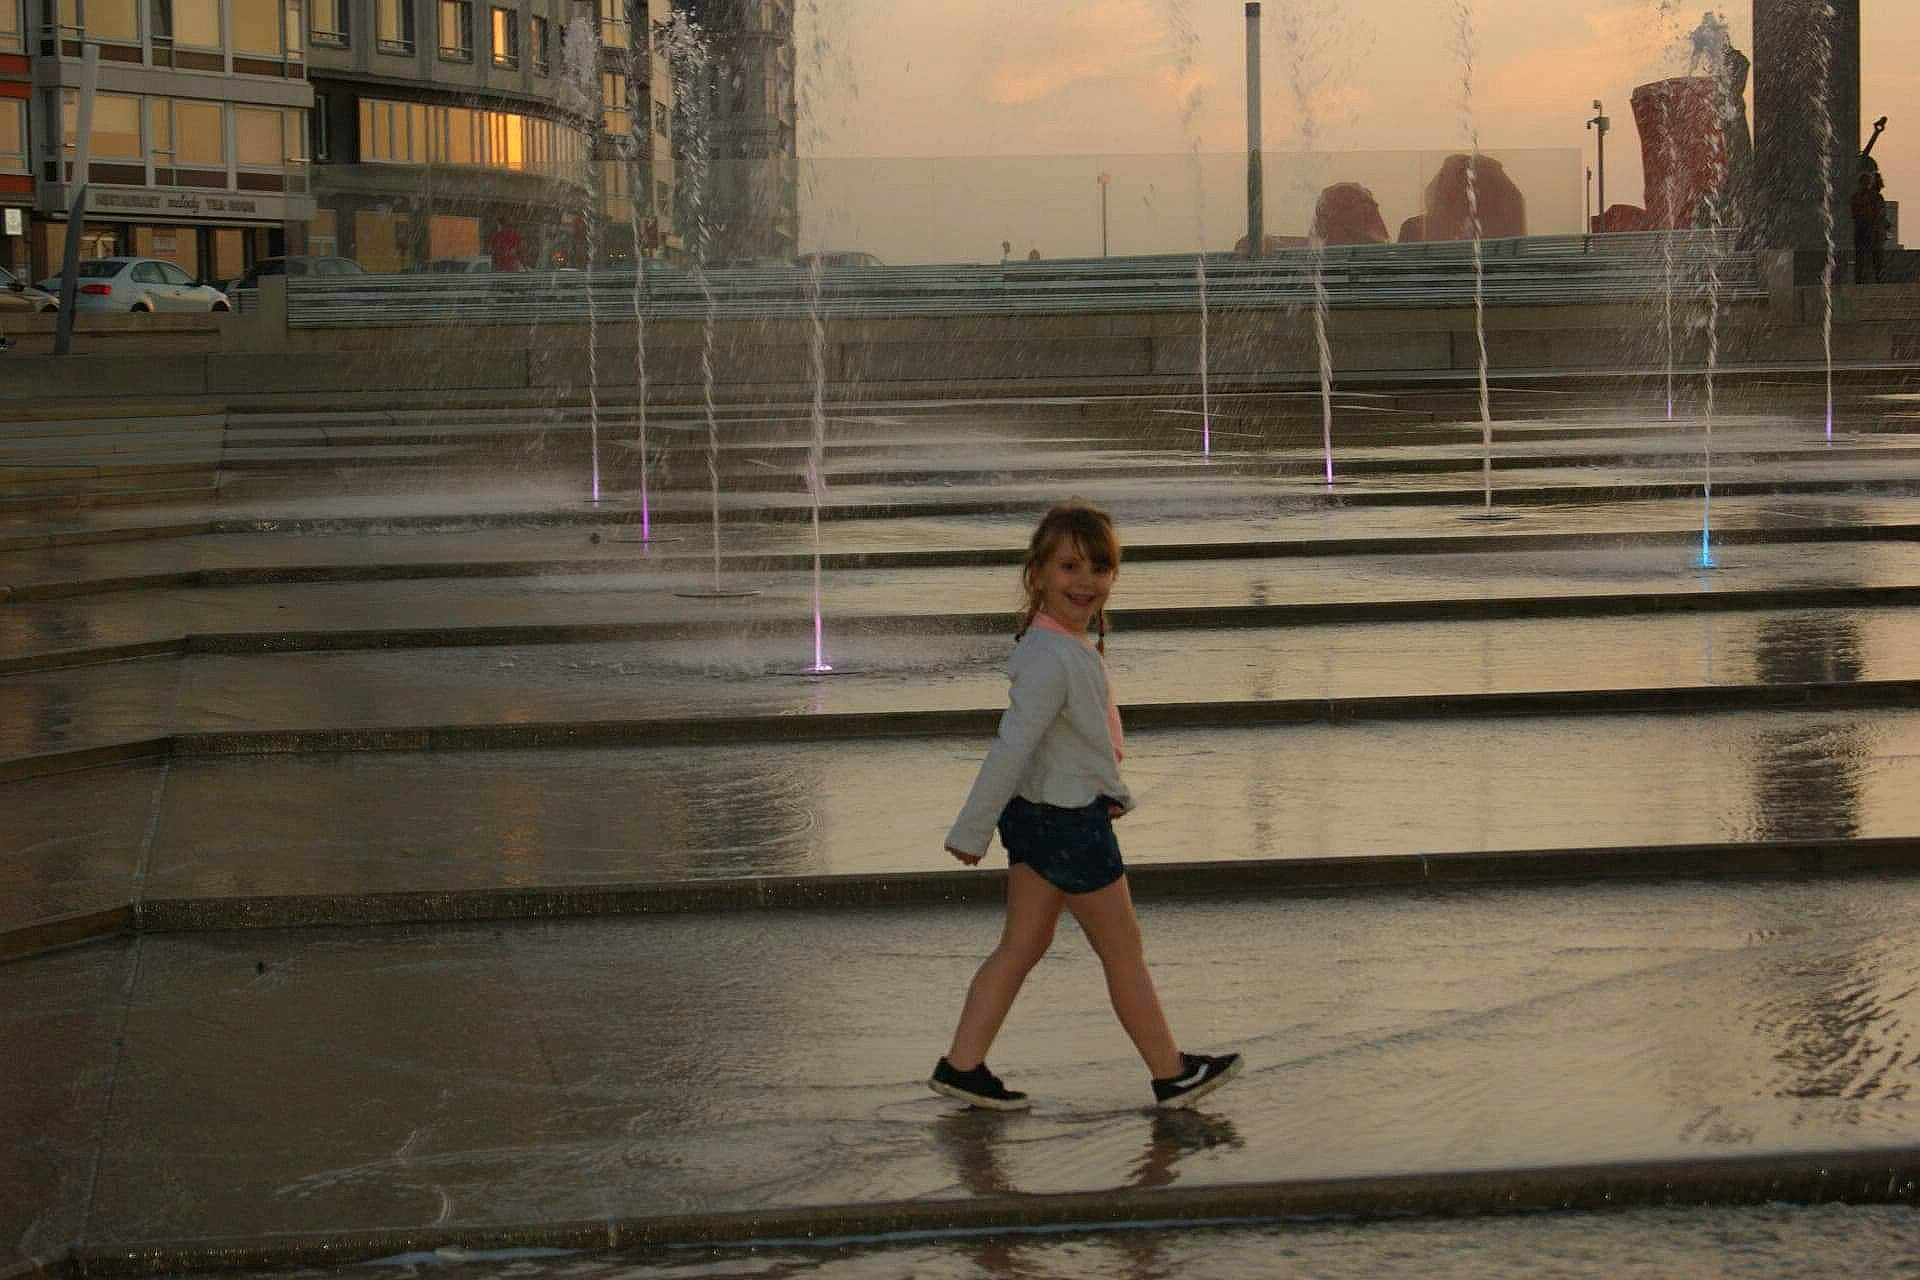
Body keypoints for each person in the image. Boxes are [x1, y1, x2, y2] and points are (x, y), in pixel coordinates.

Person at [929, 501, 1242, 1112]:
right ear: (1037, 574)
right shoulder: (1054, 657)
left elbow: (1071, 743)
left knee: (1022, 944)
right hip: (1068, 825)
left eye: (1100, 568)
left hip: (1044, 816)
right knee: (1122, 948)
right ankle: (1170, 1072)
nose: (1086, 581)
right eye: (1069, 566)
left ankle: (961, 1065)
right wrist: (972, 830)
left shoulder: (1058, 646)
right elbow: (1012, 746)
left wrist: (1105, 790)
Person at [1851, 170, 1886, 284]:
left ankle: (1866, 278)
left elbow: (1879, 213)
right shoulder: (1868, 197)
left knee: (1869, 256)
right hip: (1866, 230)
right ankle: (1865, 278)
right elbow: (1857, 213)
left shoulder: (1871, 197)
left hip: (1868, 230)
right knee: (1867, 256)